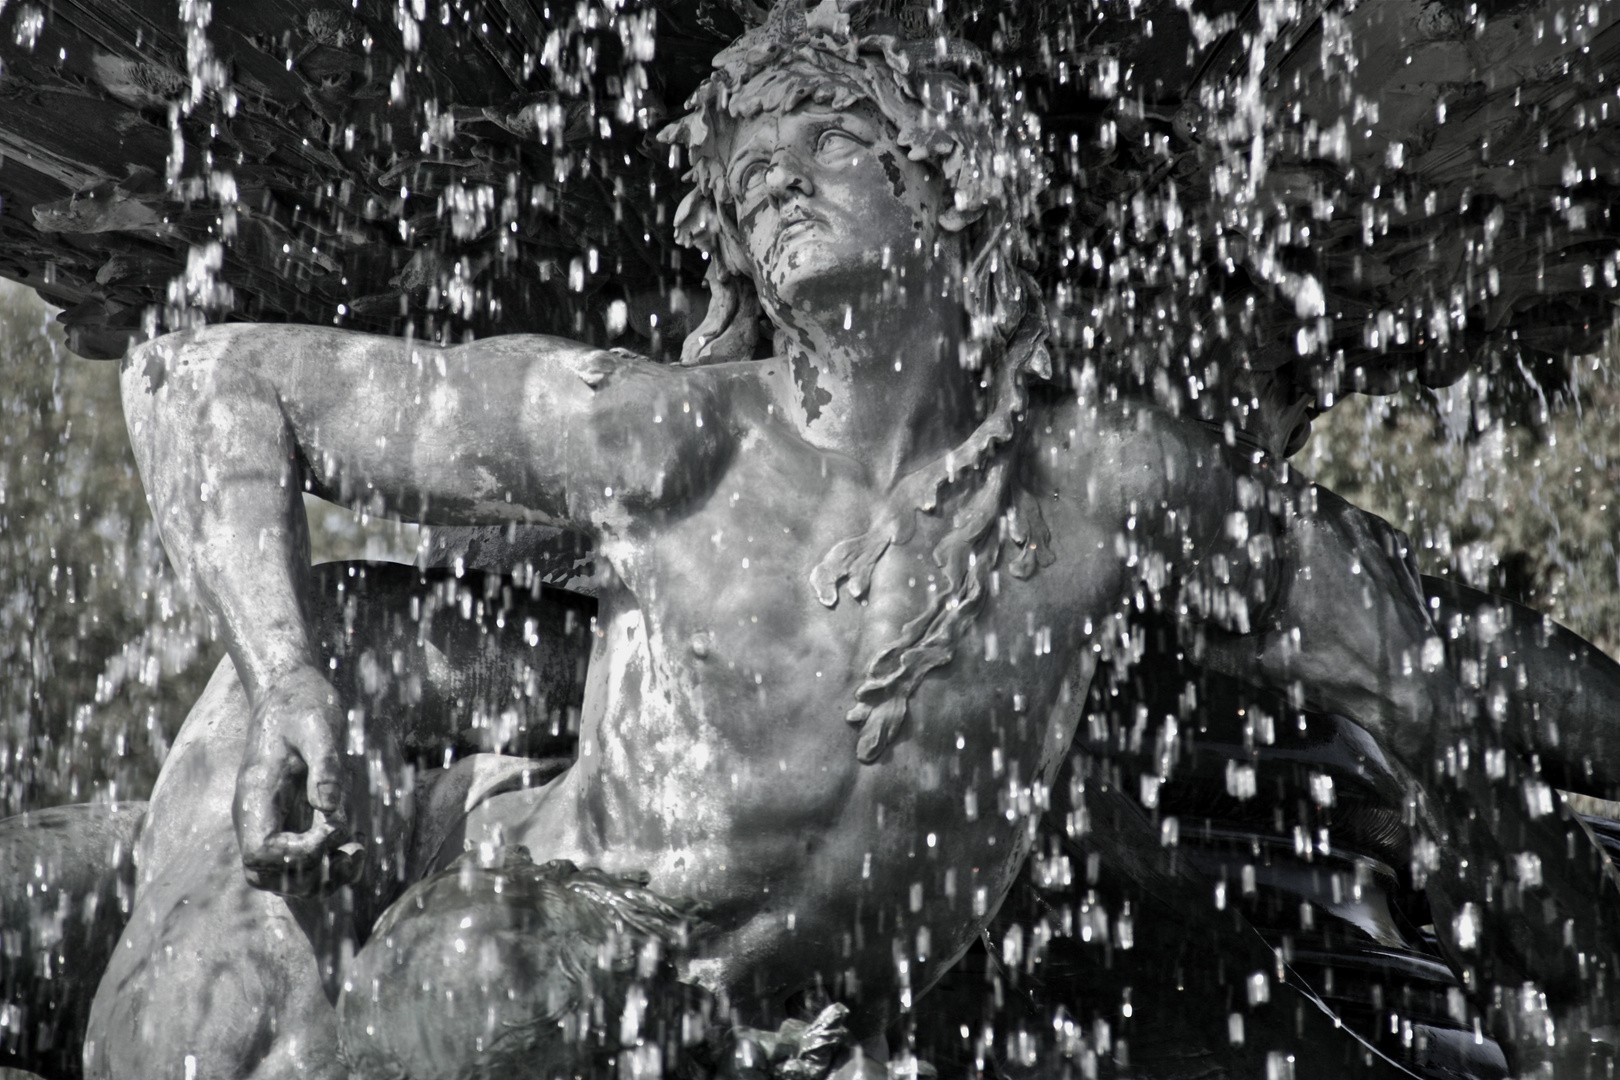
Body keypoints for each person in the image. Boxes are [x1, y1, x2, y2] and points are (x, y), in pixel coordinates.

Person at [84, 2, 1597, 1077]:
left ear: (956, 179)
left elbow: (1424, 653)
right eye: (747, 157)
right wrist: (287, 679)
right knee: (431, 993)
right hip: (541, 923)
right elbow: (211, 381)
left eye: (823, 133)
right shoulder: (674, 437)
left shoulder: (1102, 486)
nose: (769, 167)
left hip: (787, 1024)